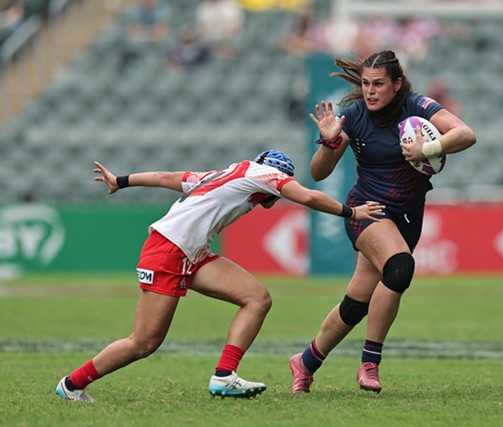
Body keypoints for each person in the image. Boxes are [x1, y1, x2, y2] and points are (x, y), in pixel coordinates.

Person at [55, 151, 385, 402]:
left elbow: (166, 176)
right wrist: (352, 211)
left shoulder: (225, 173)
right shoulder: (267, 175)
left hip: (191, 251)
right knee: (144, 342)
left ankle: (225, 375)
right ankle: (72, 385)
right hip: (170, 250)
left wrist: (122, 180)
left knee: (257, 298)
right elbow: (309, 196)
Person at [288, 50, 476, 394]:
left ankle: (306, 361)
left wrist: (429, 149)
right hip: (367, 211)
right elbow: (318, 172)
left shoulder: (419, 107)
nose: (370, 91)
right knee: (400, 267)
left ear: (397, 84)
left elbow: (465, 134)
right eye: (365, 84)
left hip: (407, 216)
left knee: (355, 305)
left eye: (378, 84)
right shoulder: (355, 116)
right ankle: (370, 362)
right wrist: (330, 141)